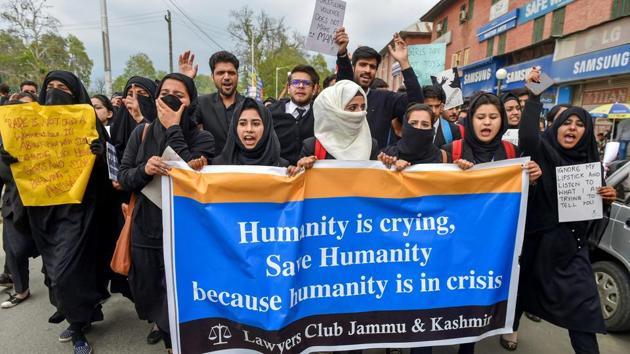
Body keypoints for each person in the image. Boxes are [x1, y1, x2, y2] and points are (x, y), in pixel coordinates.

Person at [5, 70, 112, 354]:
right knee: (54, 274)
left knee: (66, 272)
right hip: (43, 215)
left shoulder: (89, 122)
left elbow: (108, 175)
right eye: (49, 86)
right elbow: (17, 173)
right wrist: (9, 158)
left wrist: (99, 156)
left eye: (62, 87)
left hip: (79, 213)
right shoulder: (28, 127)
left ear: (76, 94)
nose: (54, 91)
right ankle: (80, 314)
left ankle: (77, 328)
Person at [514, 71, 616, 354]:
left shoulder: (589, 162)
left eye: (579, 124)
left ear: (587, 132)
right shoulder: (543, 150)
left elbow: (592, 211)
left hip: (573, 252)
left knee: (584, 315)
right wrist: (534, 93)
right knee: (517, 300)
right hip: (536, 249)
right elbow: (528, 135)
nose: (572, 128)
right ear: (555, 127)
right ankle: (505, 332)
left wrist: (606, 198)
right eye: (566, 122)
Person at [118, 73, 214, 353]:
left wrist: (174, 129)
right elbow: (124, 177)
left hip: (186, 235)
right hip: (146, 231)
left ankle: (177, 344)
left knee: (181, 297)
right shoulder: (142, 132)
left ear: (190, 102)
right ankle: (167, 334)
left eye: (179, 96)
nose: (170, 100)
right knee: (150, 293)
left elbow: (197, 182)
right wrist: (144, 170)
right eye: (164, 94)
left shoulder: (201, 137)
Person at [334, 28, 423, 149]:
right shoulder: (340, 96)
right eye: (363, 64)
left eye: (372, 67)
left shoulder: (385, 98)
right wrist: (342, 54)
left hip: (376, 165)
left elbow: (416, 102)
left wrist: (404, 62)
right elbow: (344, 82)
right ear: (353, 67)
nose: (367, 70)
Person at [290, 80, 378, 176]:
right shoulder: (312, 146)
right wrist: (299, 169)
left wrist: (387, 165)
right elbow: (301, 183)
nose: (360, 113)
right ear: (334, 112)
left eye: (363, 107)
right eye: (352, 108)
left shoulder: (370, 145)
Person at [0, 94, 39, 309]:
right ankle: (21, 289)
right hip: (12, 206)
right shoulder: (2, 147)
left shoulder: (43, 141)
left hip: (41, 206)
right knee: (15, 251)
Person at [178, 50, 244, 153]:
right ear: (212, 77)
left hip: (244, 168)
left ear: (237, 76)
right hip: (212, 167)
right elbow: (184, 127)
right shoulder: (202, 103)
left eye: (231, 73)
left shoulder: (250, 106)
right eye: (220, 73)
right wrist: (185, 81)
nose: (226, 77)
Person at [213, 97, 287, 167]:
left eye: (256, 124)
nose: (249, 129)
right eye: (242, 124)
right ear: (235, 127)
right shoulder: (218, 165)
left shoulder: (281, 167)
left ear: (266, 128)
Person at [270, 64, 319, 165]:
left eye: (306, 83)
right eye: (296, 82)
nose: (301, 86)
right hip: (278, 175)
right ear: (288, 88)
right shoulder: (271, 113)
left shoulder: (321, 114)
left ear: (314, 89)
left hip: (312, 176)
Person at [378, 103, 448, 170]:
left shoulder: (442, 157)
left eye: (425, 124)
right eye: (413, 123)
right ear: (405, 125)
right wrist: (389, 165)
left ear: (432, 128)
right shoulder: (387, 155)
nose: (418, 128)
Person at [109, 76, 158, 164]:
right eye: (130, 94)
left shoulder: (162, 124)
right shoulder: (115, 129)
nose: (135, 99)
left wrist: (140, 119)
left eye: (141, 93)